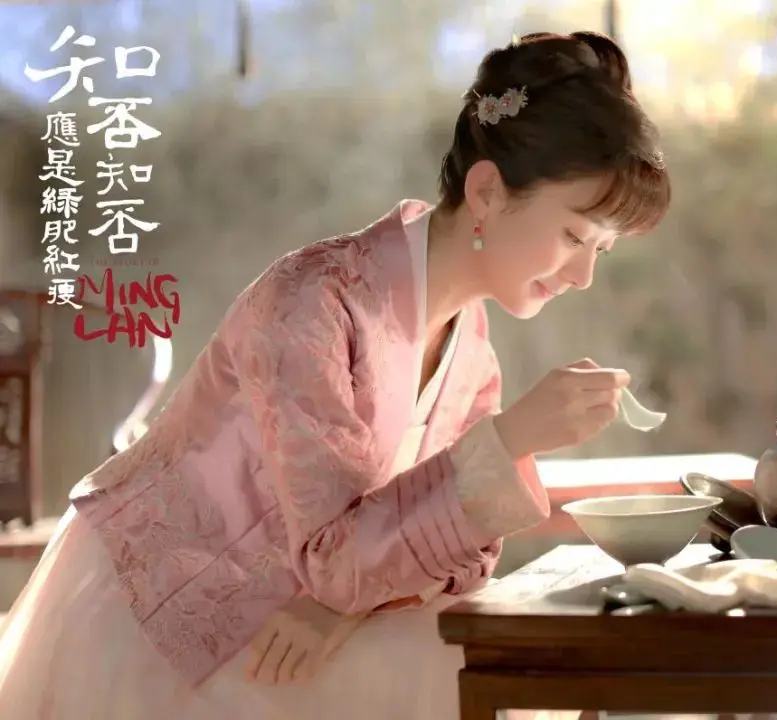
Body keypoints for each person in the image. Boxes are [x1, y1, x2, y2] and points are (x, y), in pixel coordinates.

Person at [0, 30, 669, 719]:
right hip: (172, 615)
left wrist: (342, 608)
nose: (584, 275)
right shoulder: (312, 301)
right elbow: (338, 559)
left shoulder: (470, 347)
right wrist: (513, 437)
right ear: (488, 191)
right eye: (574, 237)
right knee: (468, 672)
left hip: (297, 620)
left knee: (499, 660)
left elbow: (462, 561)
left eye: (602, 250)